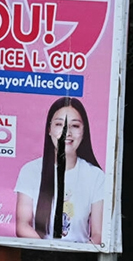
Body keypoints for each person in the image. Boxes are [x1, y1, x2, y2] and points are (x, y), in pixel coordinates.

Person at [14, 97, 104, 244]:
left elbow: (98, 234)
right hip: (39, 253)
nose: (66, 133)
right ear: (49, 129)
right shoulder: (30, 171)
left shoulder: (96, 176)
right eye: (59, 124)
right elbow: (22, 225)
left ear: (84, 130)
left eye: (74, 126)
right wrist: (48, 250)